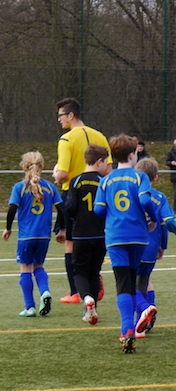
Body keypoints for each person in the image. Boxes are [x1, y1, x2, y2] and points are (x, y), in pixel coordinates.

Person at [94, 135, 158, 353]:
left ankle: (127, 329)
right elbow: (145, 200)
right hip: (138, 236)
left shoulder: (105, 181)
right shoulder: (140, 177)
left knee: (122, 283)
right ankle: (134, 321)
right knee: (132, 281)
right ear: (132, 155)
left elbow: (98, 209)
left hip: (116, 237)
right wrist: (153, 218)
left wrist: (112, 213)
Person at [54, 97, 110, 305]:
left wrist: (56, 175)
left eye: (61, 115)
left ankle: (76, 291)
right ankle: (93, 278)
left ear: (71, 115)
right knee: (97, 237)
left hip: (74, 193)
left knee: (71, 242)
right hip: (99, 191)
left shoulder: (67, 139)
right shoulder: (100, 136)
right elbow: (108, 169)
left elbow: (62, 174)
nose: (59, 120)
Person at [4, 152, 64, 317]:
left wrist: (8, 228)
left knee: (25, 269)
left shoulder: (20, 187)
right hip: (44, 237)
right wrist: (61, 229)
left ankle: (30, 307)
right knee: (39, 267)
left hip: (26, 237)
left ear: (24, 168)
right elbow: (62, 209)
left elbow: (12, 209)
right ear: (42, 168)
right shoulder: (50, 187)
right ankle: (45, 292)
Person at [133, 157, 176, 337]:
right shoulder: (160, 198)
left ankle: (143, 312)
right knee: (143, 282)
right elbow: (164, 224)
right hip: (151, 248)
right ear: (156, 178)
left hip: (135, 246)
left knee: (129, 285)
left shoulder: (133, 195)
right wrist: (163, 246)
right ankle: (146, 322)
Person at [64, 144, 109, 325]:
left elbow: (70, 207)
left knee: (79, 272)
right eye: (105, 162)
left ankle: (86, 298)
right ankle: (92, 309)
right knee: (94, 271)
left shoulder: (76, 181)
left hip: (81, 234)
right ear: (99, 161)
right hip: (100, 234)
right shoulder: (104, 181)